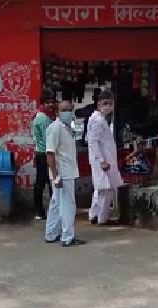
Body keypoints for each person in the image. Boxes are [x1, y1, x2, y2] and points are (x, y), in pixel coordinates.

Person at [45, 100, 87, 247]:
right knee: (68, 205)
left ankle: (50, 234)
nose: (67, 113)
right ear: (57, 112)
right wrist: (56, 176)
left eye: (69, 109)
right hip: (63, 174)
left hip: (66, 172)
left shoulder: (68, 128)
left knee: (56, 204)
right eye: (63, 110)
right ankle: (68, 237)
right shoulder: (54, 128)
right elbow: (50, 154)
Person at [87, 90, 124, 225]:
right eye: (105, 103)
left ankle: (94, 214)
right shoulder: (97, 120)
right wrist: (101, 161)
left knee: (100, 188)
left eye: (110, 103)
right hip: (102, 160)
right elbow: (93, 142)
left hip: (103, 158)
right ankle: (102, 218)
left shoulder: (100, 118)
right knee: (105, 189)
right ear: (98, 104)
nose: (108, 106)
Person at [32, 89, 57, 220]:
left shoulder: (41, 115)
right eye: (48, 102)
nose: (51, 105)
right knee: (48, 182)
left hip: (41, 152)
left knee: (41, 182)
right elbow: (49, 139)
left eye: (52, 102)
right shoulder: (43, 118)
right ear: (43, 103)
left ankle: (40, 211)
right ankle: (45, 210)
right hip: (45, 153)